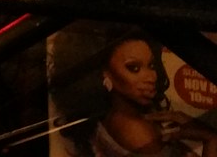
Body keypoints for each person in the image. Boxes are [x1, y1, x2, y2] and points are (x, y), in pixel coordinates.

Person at [52, 28, 217, 157]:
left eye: (151, 66)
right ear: (104, 73)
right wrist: (210, 138)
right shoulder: (134, 130)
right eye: (134, 68)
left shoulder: (112, 119)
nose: (151, 77)